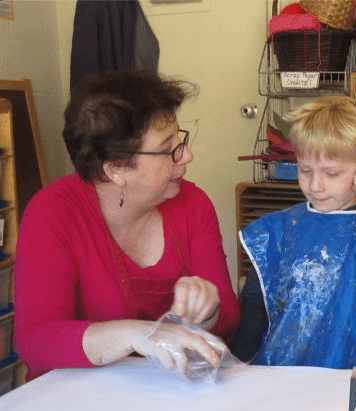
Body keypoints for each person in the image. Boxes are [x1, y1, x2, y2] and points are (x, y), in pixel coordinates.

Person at [14, 70, 240, 381]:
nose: (187, 155)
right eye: (169, 149)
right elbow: (35, 342)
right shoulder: (53, 213)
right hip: (77, 398)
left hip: (168, 393)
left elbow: (229, 314)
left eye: (181, 139)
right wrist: (137, 334)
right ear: (116, 169)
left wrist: (208, 310)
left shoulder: (193, 203)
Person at [232, 95, 356, 373]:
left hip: (352, 378)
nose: (316, 186)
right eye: (305, 170)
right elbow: (255, 314)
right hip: (277, 377)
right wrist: (236, 369)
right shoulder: (276, 231)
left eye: (332, 173)